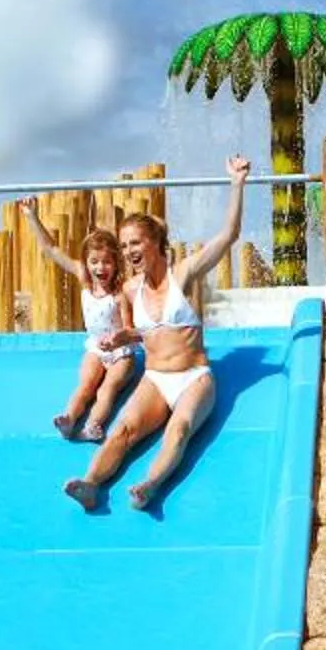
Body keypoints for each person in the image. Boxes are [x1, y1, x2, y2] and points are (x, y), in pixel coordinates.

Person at [65, 155, 249, 514]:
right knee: (122, 431)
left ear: (155, 242)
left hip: (194, 379)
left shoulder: (183, 275)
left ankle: (150, 484)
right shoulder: (131, 290)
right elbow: (143, 332)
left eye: (135, 242)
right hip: (155, 379)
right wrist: (122, 338)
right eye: (124, 245)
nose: (129, 251)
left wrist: (237, 183)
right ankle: (90, 484)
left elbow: (229, 236)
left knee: (178, 429)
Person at [18, 198, 137, 442]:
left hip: (121, 352)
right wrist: (32, 216)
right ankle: (70, 418)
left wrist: (117, 341)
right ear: (86, 263)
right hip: (95, 347)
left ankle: (94, 425)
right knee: (86, 386)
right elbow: (51, 250)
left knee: (107, 388)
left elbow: (129, 329)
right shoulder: (84, 280)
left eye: (106, 262)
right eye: (94, 261)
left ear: (116, 264)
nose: (100, 267)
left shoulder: (120, 293)